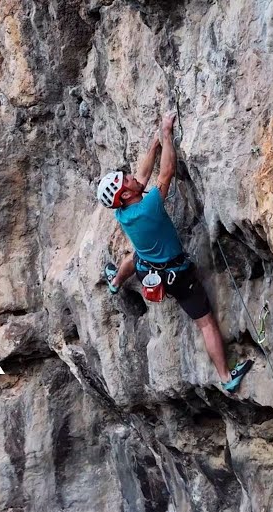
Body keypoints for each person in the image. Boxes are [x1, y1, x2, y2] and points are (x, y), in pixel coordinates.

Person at [96, 112, 253, 393]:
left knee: (133, 257)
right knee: (205, 323)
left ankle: (115, 282)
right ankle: (226, 376)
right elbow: (165, 173)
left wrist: (154, 144)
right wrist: (167, 136)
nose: (131, 176)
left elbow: (142, 177)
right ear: (126, 195)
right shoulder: (149, 207)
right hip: (176, 276)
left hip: (147, 268)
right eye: (126, 180)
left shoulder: (123, 212)